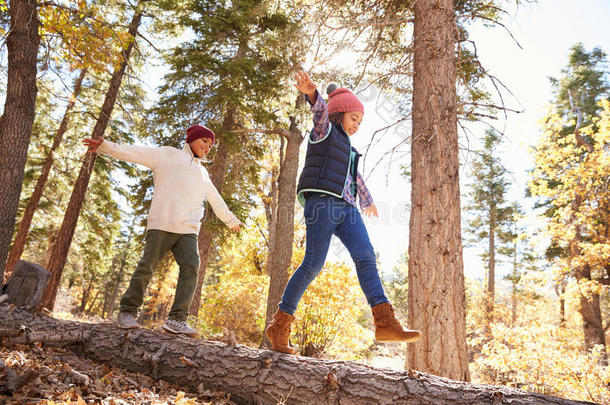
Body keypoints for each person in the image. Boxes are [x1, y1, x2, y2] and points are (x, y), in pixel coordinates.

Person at [265, 71, 421, 354]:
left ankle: (384, 321)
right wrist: (312, 94)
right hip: (322, 202)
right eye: (353, 119)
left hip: (347, 209)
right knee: (313, 264)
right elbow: (321, 111)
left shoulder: (349, 148)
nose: (356, 126)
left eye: (360, 122)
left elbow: (355, 177)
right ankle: (280, 325)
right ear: (339, 115)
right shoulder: (325, 130)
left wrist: (367, 200)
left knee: (365, 256)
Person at [83, 125, 243, 337]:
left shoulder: (202, 173)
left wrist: (230, 219)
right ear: (191, 139)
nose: (207, 147)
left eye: (210, 145)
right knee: (147, 267)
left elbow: (216, 199)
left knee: (192, 267)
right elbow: (136, 152)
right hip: (162, 223)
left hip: (187, 230)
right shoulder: (167, 155)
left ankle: (177, 319)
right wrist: (105, 147)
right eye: (204, 141)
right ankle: (127, 311)